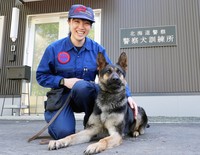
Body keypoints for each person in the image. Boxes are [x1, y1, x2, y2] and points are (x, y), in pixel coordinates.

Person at [36, 4, 138, 140]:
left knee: (83, 87)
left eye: (86, 23)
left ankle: (90, 124)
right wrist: (63, 81)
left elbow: (114, 73)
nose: (81, 27)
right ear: (69, 22)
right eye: (76, 21)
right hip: (61, 98)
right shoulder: (54, 49)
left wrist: (128, 95)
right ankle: (66, 123)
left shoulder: (97, 50)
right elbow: (41, 76)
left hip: (86, 96)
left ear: (90, 26)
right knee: (62, 133)